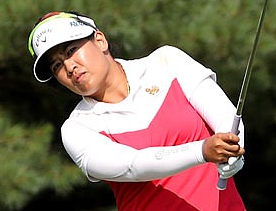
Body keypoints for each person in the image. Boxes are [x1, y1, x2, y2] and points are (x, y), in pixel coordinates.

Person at [27, 11, 247, 211]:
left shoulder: (167, 61)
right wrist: (202, 151)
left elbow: (225, 116)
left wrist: (233, 149)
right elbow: (134, 165)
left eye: (71, 50)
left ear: (100, 40)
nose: (68, 67)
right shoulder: (77, 128)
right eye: (56, 66)